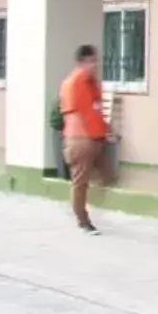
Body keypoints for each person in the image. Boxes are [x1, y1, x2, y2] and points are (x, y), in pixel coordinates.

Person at [59, 43, 111, 235]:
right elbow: (83, 113)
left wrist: (105, 131)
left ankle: (86, 207)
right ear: (82, 62)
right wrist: (94, 135)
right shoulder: (75, 83)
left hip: (93, 138)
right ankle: (83, 220)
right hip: (81, 138)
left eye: (96, 61)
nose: (95, 65)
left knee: (103, 176)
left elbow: (95, 110)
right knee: (80, 181)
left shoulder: (90, 83)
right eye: (91, 61)